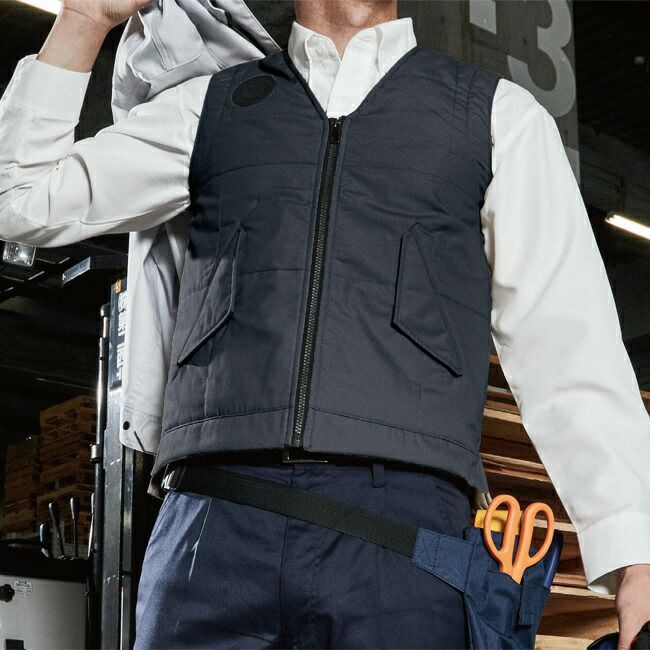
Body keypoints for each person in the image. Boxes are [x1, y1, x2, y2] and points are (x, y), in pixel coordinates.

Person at [1, 1, 649, 648]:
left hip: (400, 547)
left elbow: (569, 346)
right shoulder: (209, 109)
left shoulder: (498, 118)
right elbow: (19, 199)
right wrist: (85, 18)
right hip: (212, 531)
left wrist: (636, 554)